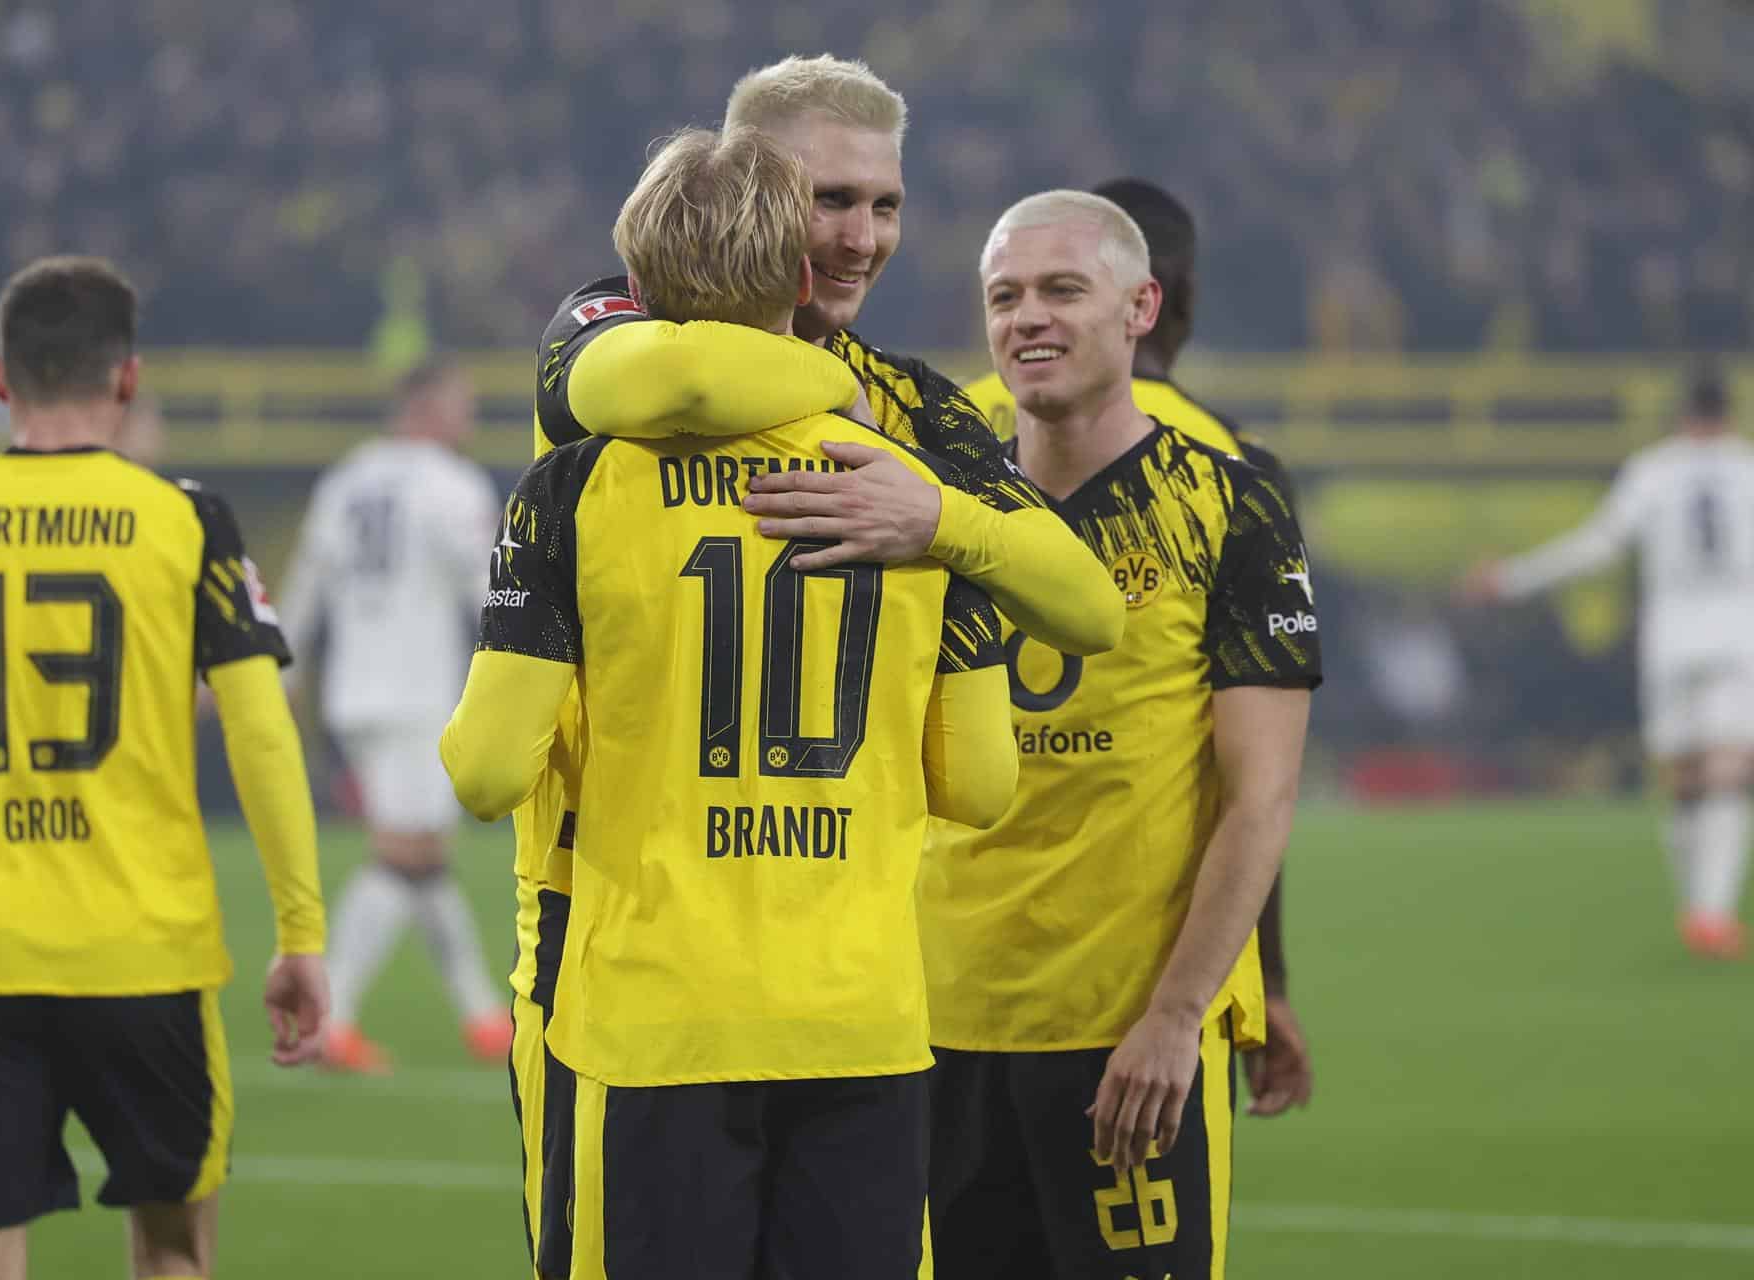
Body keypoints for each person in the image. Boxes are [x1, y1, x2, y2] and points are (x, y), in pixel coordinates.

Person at [508, 53, 1125, 1271]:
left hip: (835, 971)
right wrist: (856, 413)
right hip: (612, 954)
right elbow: (680, 372)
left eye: (885, 204)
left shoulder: (918, 415)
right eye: (828, 200)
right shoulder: (616, 326)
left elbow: (1088, 602)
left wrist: (936, 518)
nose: (862, 237)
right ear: (744, 189)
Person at [441, 127, 1016, 1279]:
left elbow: (488, 770)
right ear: (802, 279)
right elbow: (983, 782)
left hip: (657, 1019)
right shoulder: (906, 486)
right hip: (860, 1015)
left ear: (640, 291)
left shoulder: (574, 485)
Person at [0, 255, 328, 1280]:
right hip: (143, 948)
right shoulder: (191, 521)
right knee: (173, 1253)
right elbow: (261, 731)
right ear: (128, 379)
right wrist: (300, 933)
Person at [919, 192, 1321, 1280]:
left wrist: (1177, 1015)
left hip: (1124, 1033)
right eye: (1004, 297)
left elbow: (1261, 797)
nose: (1027, 319)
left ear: (1141, 307)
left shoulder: (1230, 509)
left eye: (1062, 290)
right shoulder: (936, 506)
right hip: (928, 1029)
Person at [1462, 369, 1754, 958]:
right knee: (1729, 769)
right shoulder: (1747, 467)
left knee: (1685, 773)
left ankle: (1698, 909)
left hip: (1672, 635)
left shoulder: (1653, 469)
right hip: (1738, 630)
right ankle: (1711, 913)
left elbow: (1598, 547)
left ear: (1680, 414)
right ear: (1728, 413)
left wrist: (1511, 578)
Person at [276, 359, 511, 1072]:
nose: (467, 419)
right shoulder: (451, 484)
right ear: (426, 407)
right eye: (461, 403)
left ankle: (483, 1017)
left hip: (354, 690)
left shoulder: (347, 478)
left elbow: (307, 582)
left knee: (426, 856)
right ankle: (330, 1020)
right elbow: (492, 589)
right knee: (404, 856)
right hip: (414, 690)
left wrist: (283, 669)